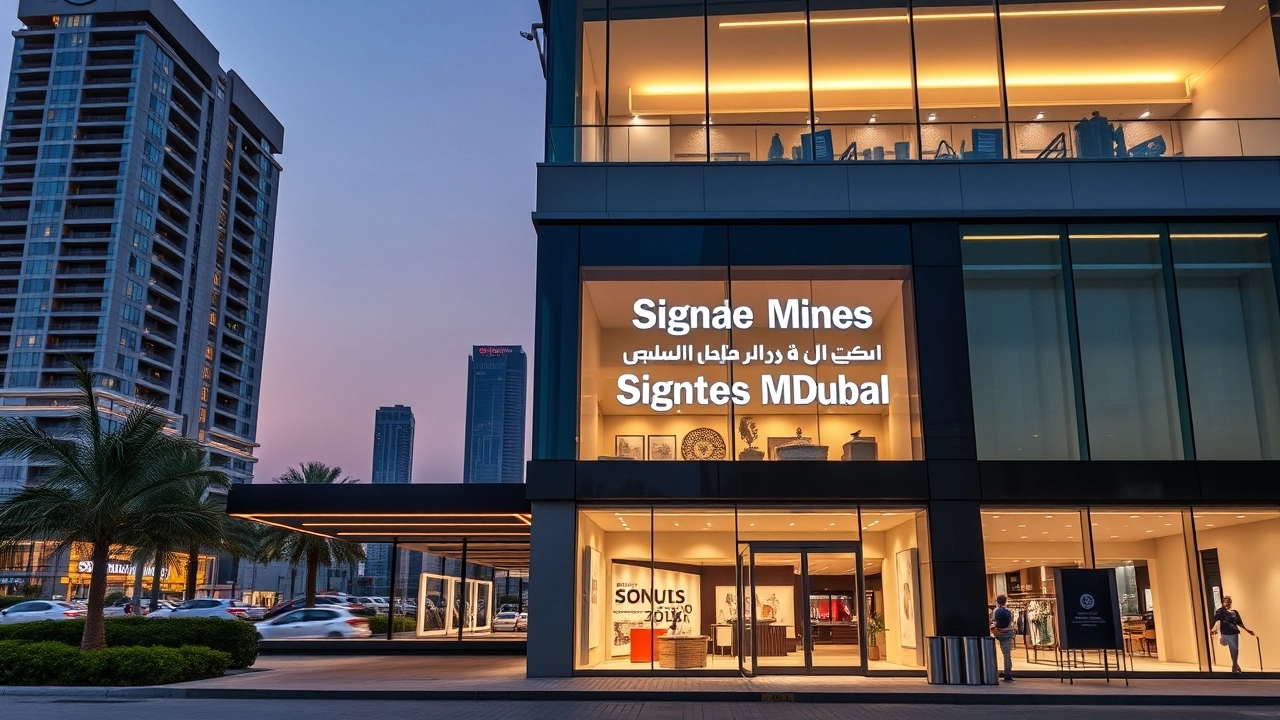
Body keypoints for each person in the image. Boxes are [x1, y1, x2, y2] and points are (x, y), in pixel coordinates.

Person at [1211, 596, 1255, 673]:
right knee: (1224, 643)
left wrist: (1247, 630)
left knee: (1234, 649)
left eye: (1229, 602)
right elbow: (1217, 621)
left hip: (1233, 632)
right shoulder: (1220, 611)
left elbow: (1239, 622)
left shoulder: (1234, 612)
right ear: (1223, 603)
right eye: (1226, 602)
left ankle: (1234, 666)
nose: (1228, 604)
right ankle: (1235, 664)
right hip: (1225, 632)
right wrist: (1213, 629)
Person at [991, 594, 1016, 683]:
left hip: (997, 633)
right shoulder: (1009, 611)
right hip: (1007, 634)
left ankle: (992, 673)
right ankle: (1008, 675)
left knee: (992, 654)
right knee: (1007, 656)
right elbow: (1010, 624)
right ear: (1005, 602)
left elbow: (993, 622)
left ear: (997, 601)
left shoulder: (995, 611)